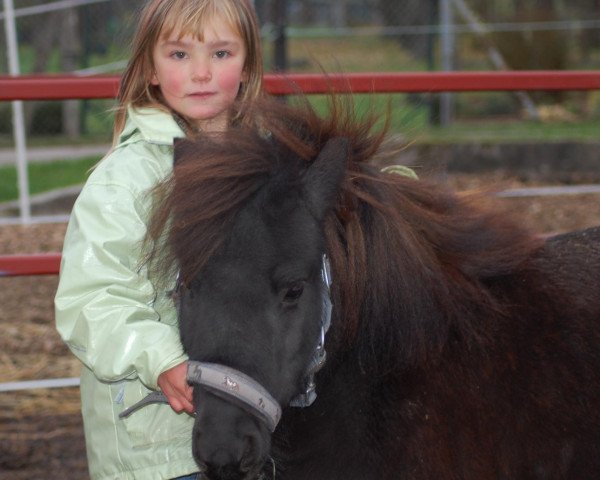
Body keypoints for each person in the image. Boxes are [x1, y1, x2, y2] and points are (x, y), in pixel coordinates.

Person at [54, 1, 264, 478]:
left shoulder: (264, 163)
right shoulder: (124, 181)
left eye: (221, 53)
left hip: (249, 421)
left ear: (247, 63)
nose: (202, 73)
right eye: (179, 55)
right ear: (150, 67)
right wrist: (163, 359)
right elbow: (92, 298)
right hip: (156, 447)